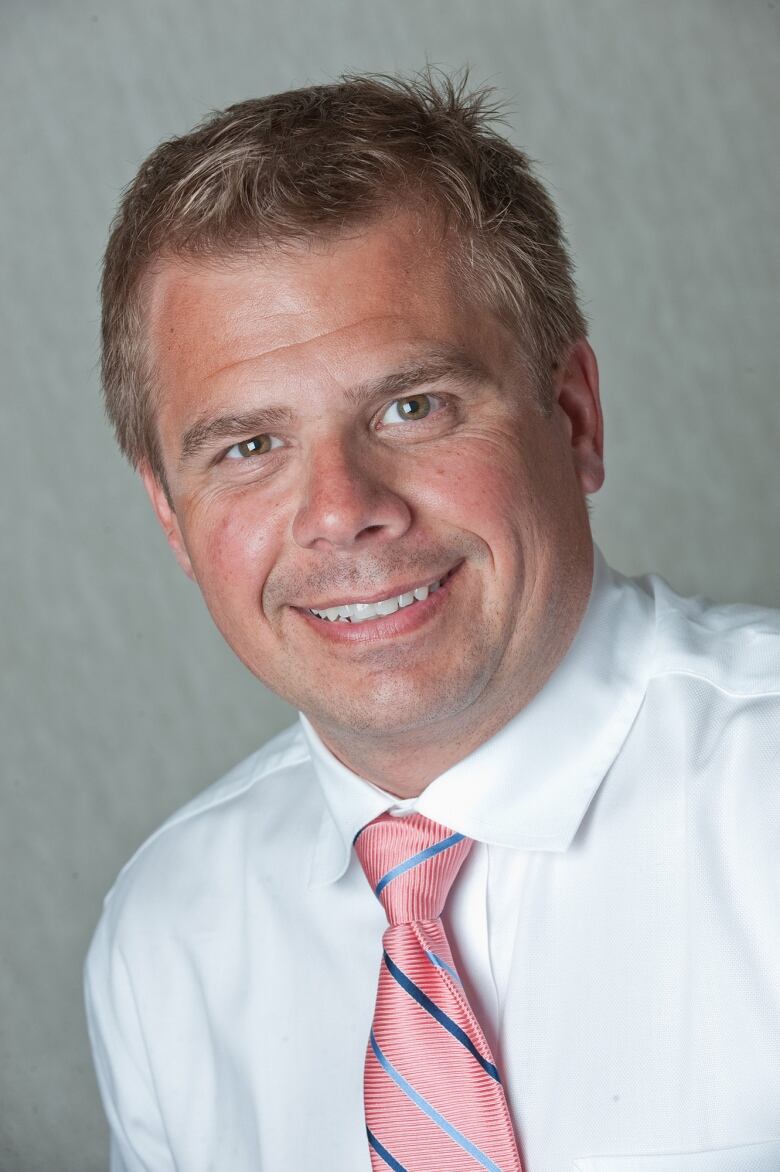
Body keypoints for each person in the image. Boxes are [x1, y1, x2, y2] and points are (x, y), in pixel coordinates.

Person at [84, 72, 780, 1172]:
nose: (342, 513)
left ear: (574, 414)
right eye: (248, 447)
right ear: (172, 515)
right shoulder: (168, 938)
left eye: (414, 406)